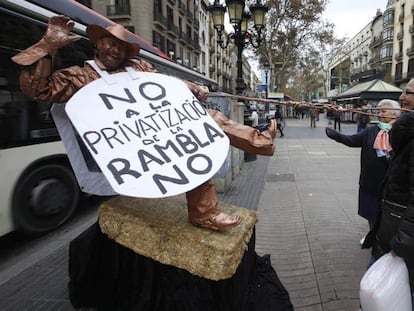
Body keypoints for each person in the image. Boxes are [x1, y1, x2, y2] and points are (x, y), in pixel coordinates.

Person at [12, 15, 276, 231]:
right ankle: (207, 208)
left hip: (158, 130)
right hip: (121, 143)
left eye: (120, 46)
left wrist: (193, 87)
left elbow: (168, 85)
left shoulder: (139, 68)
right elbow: (39, 90)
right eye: (109, 43)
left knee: (203, 125)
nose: (114, 49)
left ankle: (254, 151)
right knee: (191, 142)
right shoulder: (81, 76)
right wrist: (48, 46)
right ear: (98, 44)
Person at [325, 99, 401, 242]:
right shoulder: (371, 130)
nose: (379, 114)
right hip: (369, 182)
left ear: (394, 113)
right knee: (370, 212)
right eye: (378, 111)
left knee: (388, 214)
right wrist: (336, 136)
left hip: (390, 184)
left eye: (383, 111)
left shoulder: (401, 131)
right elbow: (352, 141)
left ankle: (386, 238)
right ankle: (373, 235)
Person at [368, 80, 414, 307]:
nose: (402, 98)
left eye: (408, 93)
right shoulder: (406, 129)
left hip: (400, 235)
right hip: (392, 225)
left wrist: (401, 243)